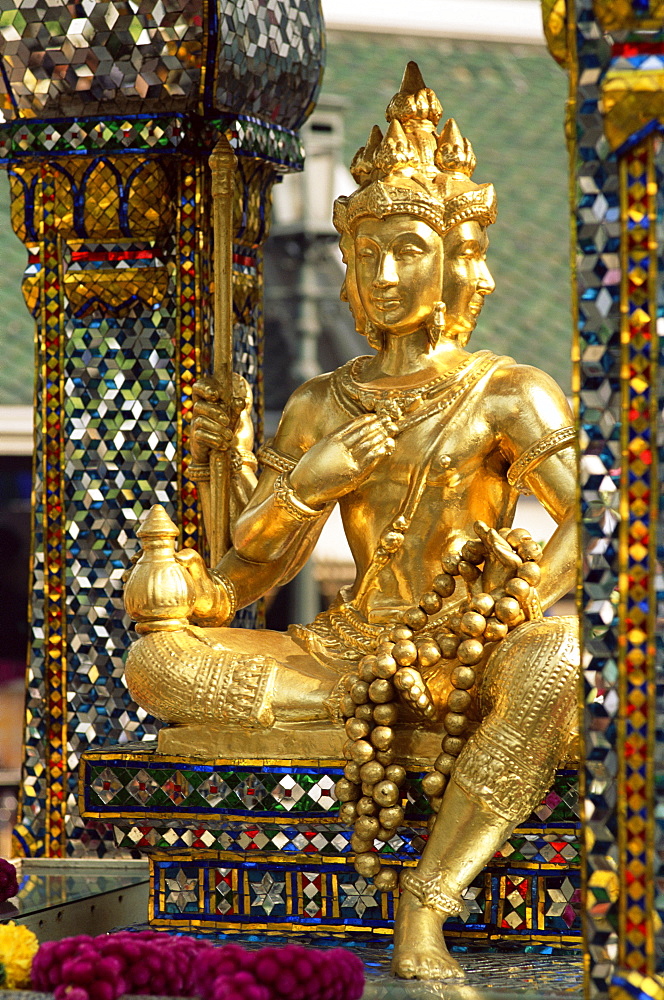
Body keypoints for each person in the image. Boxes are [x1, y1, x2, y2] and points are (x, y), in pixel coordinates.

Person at [124, 63, 578, 980]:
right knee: (158, 659)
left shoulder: (507, 393)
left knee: (561, 658)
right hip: (350, 654)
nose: (382, 272)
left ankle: (429, 897)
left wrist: (513, 595)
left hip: (470, 643)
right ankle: (388, 713)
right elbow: (245, 577)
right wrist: (291, 483)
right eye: (366, 252)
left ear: (456, 258)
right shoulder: (322, 403)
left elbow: (601, 516)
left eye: (408, 247)